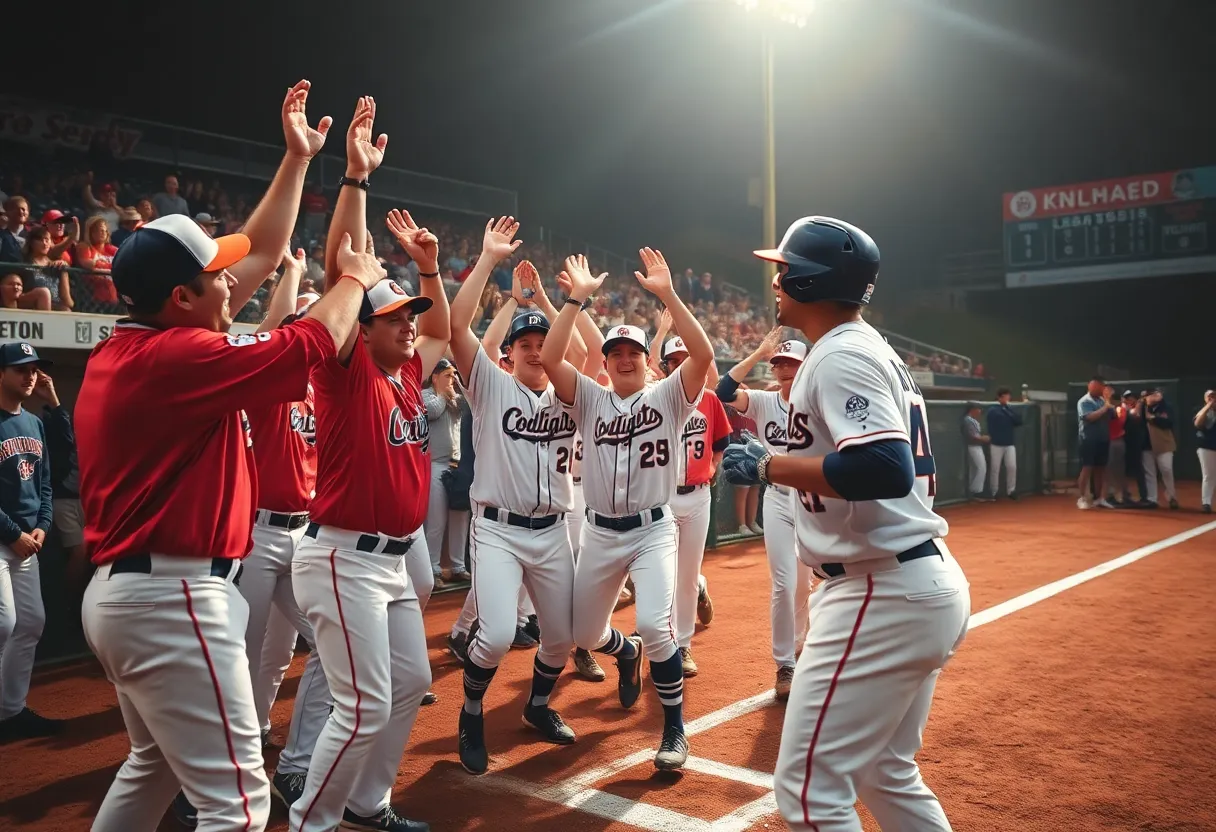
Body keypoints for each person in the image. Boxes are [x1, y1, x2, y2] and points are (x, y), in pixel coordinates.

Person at [74, 80, 389, 832]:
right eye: (217, 274)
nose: (233, 280)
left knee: (151, 767)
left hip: (136, 593)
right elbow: (311, 341)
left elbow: (269, 249)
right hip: (172, 594)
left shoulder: (149, 340)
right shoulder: (177, 357)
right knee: (239, 809)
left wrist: (296, 161)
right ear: (182, 297)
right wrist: (353, 281)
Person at [724, 215, 969, 831]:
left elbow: (883, 467)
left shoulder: (840, 356)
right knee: (884, 771)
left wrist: (770, 467)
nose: (775, 282)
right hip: (906, 579)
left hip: (878, 587)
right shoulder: (861, 348)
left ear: (811, 280)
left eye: (783, 271)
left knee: (809, 791)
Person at [288, 95, 445, 832]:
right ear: (364, 328)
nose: (409, 328)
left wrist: (428, 274)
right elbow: (339, 271)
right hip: (342, 557)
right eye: (395, 319)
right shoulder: (346, 368)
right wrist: (354, 180)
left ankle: (365, 802)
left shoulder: (404, 372)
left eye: (408, 318)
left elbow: (441, 327)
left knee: (410, 682)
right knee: (361, 706)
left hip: (386, 563)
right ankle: (309, 824)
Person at [447, 223, 615, 775]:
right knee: (495, 634)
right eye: (527, 344)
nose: (537, 351)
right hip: (496, 527)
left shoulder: (572, 393)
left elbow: (594, 349)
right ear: (512, 351)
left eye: (544, 343)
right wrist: (487, 261)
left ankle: (538, 705)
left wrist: (555, 299)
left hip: (550, 531)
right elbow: (455, 328)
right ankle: (471, 710)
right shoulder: (490, 384)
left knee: (561, 638)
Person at [541, 248, 715, 772]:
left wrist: (666, 294)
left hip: (652, 530)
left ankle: (674, 730)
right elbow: (551, 360)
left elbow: (703, 357)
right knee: (586, 636)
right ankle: (626, 652)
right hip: (598, 533)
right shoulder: (591, 398)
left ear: (646, 359)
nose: (621, 358)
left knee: (658, 626)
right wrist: (574, 300)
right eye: (614, 352)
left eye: (631, 352)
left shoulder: (669, 397)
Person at [237, 249, 332, 811]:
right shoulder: (271, 382)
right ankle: (237, 752)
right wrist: (292, 275)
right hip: (255, 533)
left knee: (321, 641)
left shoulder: (322, 390)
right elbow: (265, 334)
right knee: (246, 653)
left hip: (301, 532)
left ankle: (293, 761)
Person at [717, 327, 814, 701]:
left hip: (812, 500)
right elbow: (724, 392)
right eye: (779, 364)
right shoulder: (763, 401)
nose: (784, 369)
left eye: (791, 363)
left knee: (804, 583)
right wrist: (758, 354)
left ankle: (801, 642)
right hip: (777, 498)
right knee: (783, 582)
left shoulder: (818, 402)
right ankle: (784, 663)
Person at [658, 332, 731, 678]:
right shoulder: (656, 398)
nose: (679, 366)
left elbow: (721, 441)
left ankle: (682, 644)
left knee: (686, 576)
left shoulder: (711, 400)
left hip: (699, 494)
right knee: (665, 574)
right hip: (665, 496)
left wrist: (714, 465)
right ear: (665, 366)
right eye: (673, 361)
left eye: (684, 360)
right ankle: (666, 640)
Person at [0, 343, 58, 742]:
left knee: (31, 622)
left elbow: (46, 484)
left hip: (27, 540)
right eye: (21, 368)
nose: (30, 376)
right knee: (3, 622)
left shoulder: (35, 423)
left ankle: (10, 710)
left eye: (34, 370)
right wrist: (12, 533)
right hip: (4, 538)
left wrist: (43, 524)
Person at [423, 358, 471, 586]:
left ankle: (458, 566)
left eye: (454, 376)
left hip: (456, 466)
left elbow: (470, 408)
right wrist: (444, 393)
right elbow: (431, 412)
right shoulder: (427, 395)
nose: (452, 380)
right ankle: (433, 569)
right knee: (436, 521)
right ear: (435, 376)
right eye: (448, 375)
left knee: (459, 517)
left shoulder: (455, 398)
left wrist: (454, 391)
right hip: (435, 464)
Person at [1076, 377, 1115, 509]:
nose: (1098, 389)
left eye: (1100, 387)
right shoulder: (1084, 401)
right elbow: (1090, 417)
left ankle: (1099, 498)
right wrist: (1105, 407)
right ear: (1090, 386)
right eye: (1094, 386)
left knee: (1101, 469)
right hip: (1088, 439)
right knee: (1087, 468)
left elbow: (1113, 416)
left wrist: (1108, 401)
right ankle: (1082, 498)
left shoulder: (1103, 400)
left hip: (1103, 439)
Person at [1142, 388, 1178, 510]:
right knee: (1149, 473)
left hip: (1164, 444)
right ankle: (1152, 498)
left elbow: (1168, 422)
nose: (1155, 396)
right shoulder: (1142, 408)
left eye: (1157, 394)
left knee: (1166, 470)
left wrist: (1152, 418)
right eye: (1152, 395)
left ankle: (1172, 496)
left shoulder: (1166, 407)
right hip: (1146, 445)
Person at [985, 388, 1022, 500]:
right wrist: (1006, 411)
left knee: (1012, 467)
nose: (1008, 398)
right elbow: (996, 421)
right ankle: (993, 491)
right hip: (996, 443)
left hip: (1009, 443)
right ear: (1000, 397)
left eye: (1008, 396)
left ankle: (1011, 490)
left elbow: (1018, 421)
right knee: (995, 468)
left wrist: (1007, 411)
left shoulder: (1009, 409)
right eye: (1006, 396)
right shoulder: (993, 409)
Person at [1120, 390, 1150, 506]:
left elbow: (1136, 416)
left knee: (1139, 470)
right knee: (1122, 471)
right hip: (1124, 443)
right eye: (1127, 398)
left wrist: (1140, 403)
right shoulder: (1122, 409)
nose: (1129, 400)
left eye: (1131, 398)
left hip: (1136, 444)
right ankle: (1124, 496)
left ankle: (1144, 496)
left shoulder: (1141, 408)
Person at [961, 404, 991, 501]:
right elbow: (972, 435)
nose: (979, 411)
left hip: (975, 446)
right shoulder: (968, 420)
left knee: (975, 468)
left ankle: (974, 491)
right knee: (981, 467)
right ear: (973, 410)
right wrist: (984, 438)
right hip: (973, 446)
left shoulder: (972, 420)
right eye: (978, 409)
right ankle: (977, 491)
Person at [1105, 385, 1129, 505]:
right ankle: (1110, 494)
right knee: (1107, 469)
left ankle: (1121, 494)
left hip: (1116, 441)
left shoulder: (1120, 409)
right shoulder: (1104, 407)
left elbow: (1119, 421)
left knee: (1117, 469)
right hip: (1106, 441)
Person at [1195, 389, 1216, 514]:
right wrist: (1208, 406)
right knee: (1208, 476)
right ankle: (1206, 503)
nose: (1212, 398)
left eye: (1214, 396)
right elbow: (1198, 423)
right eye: (1209, 396)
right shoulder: (1201, 410)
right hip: (1206, 447)